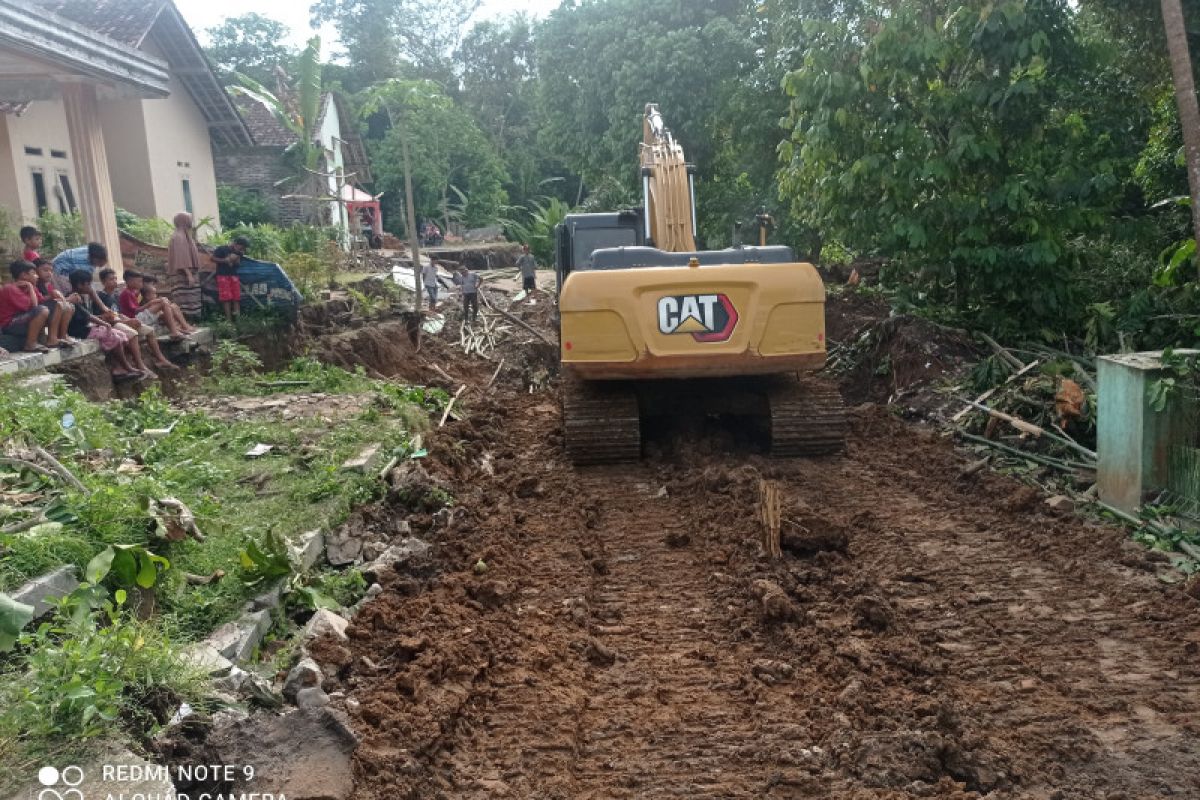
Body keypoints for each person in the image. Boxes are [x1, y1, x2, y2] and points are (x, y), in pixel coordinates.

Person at [64, 270, 144, 379]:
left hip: (88, 327)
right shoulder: (74, 297)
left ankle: (121, 366)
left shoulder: (83, 296)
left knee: (120, 335)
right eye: (88, 284)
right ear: (79, 285)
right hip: (80, 331)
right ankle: (123, 367)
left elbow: (90, 316)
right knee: (113, 336)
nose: (90, 287)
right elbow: (88, 316)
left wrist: (103, 319)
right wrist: (105, 324)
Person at [96, 268, 174, 370]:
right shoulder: (100, 297)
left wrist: (128, 319)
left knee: (150, 331)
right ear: (103, 282)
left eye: (115, 278)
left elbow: (119, 313)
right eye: (111, 279)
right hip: (111, 324)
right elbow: (105, 317)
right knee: (133, 334)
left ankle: (161, 358)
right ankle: (139, 365)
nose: (115, 281)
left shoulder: (115, 296)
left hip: (122, 320)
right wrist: (127, 321)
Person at [119, 271, 190, 340]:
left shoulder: (133, 292)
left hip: (137, 316)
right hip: (133, 319)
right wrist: (151, 303)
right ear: (130, 281)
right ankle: (174, 332)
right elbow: (136, 311)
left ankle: (180, 328)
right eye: (139, 281)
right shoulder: (127, 293)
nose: (141, 284)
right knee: (163, 303)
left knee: (167, 305)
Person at [0, 260, 52, 353]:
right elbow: (35, 307)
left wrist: (61, 297)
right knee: (42, 310)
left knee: (54, 308)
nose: (37, 276)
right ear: (24, 275)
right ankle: (30, 344)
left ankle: (52, 339)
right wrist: (31, 287)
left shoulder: (30, 287)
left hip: (21, 320)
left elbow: (43, 300)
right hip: (9, 324)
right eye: (34, 273)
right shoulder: (10, 288)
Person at [166, 212, 203, 320]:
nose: (191, 221)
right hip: (183, 275)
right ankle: (186, 322)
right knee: (185, 301)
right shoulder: (178, 237)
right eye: (189, 219)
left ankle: (191, 321)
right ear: (184, 221)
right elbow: (181, 257)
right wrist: (189, 275)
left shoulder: (185, 236)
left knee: (191, 299)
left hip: (188, 274)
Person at [32, 259, 75, 348]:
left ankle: (62, 335)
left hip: (48, 309)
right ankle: (52, 338)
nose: (49, 273)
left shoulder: (48, 285)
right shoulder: (34, 284)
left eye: (51, 271)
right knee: (59, 305)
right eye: (45, 270)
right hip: (38, 312)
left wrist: (67, 300)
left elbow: (55, 299)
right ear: (35, 271)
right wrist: (56, 296)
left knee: (69, 307)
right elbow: (38, 300)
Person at [211, 244, 242, 322]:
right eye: (241, 246)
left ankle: (238, 321)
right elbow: (212, 258)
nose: (242, 249)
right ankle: (229, 321)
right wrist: (224, 260)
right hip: (222, 276)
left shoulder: (239, 252)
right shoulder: (221, 248)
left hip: (234, 276)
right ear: (236, 243)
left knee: (236, 298)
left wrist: (236, 259)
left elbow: (238, 264)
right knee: (226, 299)